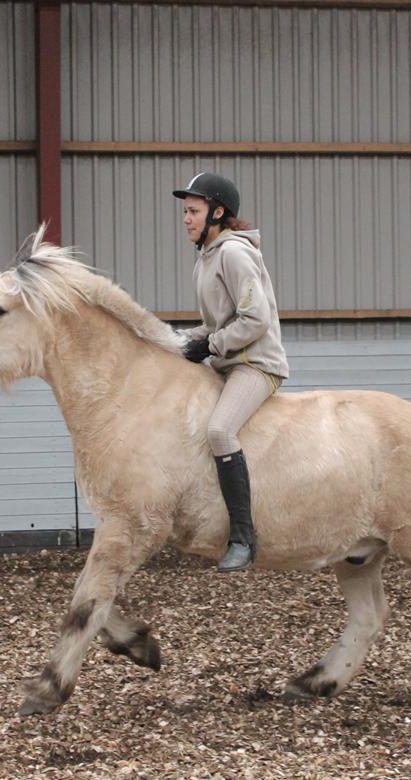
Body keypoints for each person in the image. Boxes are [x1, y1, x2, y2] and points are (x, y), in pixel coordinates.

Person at [173, 173, 290, 572]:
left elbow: (254, 320)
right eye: (185, 212)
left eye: (193, 211)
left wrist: (210, 345)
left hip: (255, 364)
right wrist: (175, 341)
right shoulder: (206, 258)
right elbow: (214, 323)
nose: (186, 219)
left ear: (217, 213)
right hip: (228, 362)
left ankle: (243, 536)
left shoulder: (234, 254)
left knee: (219, 430)